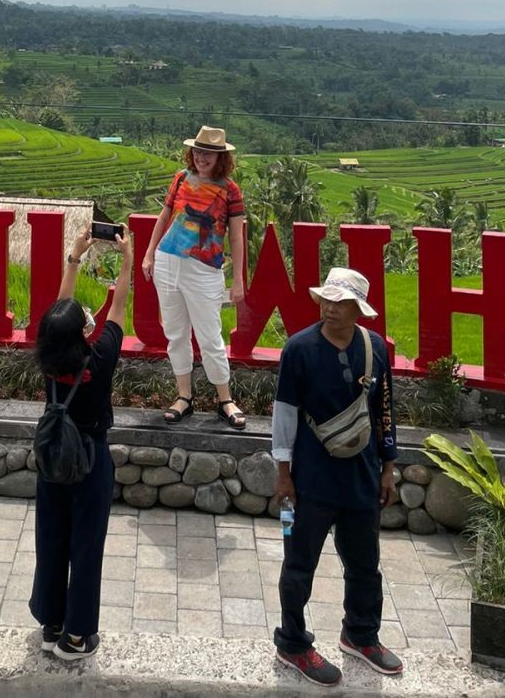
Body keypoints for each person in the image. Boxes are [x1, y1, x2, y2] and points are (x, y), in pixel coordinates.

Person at [271, 267, 402, 686]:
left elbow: (384, 410)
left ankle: (361, 634)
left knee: (366, 564)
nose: (330, 308)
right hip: (311, 480)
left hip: (362, 477)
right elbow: (284, 415)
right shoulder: (299, 349)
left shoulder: (375, 348)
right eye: (326, 299)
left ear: (357, 310)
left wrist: (388, 466)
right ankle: (292, 642)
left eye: (340, 302)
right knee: (299, 565)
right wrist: (283, 473)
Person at [30, 227, 132, 661]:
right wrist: (127, 261)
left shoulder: (47, 357)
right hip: (90, 459)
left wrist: (74, 256)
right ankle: (76, 638)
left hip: (52, 461)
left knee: (51, 538)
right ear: (81, 333)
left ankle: (51, 624)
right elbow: (120, 309)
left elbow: (60, 312)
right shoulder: (100, 358)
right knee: (86, 546)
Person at [140, 125, 246, 429]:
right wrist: (149, 254)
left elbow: (236, 238)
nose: (202, 157)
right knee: (175, 334)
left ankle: (225, 399)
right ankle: (184, 396)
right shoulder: (180, 178)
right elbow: (164, 216)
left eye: (209, 153)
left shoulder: (230, 190)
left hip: (204, 270)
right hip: (168, 262)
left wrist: (237, 280)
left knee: (210, 336)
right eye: (198, 151)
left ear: (220, 157)